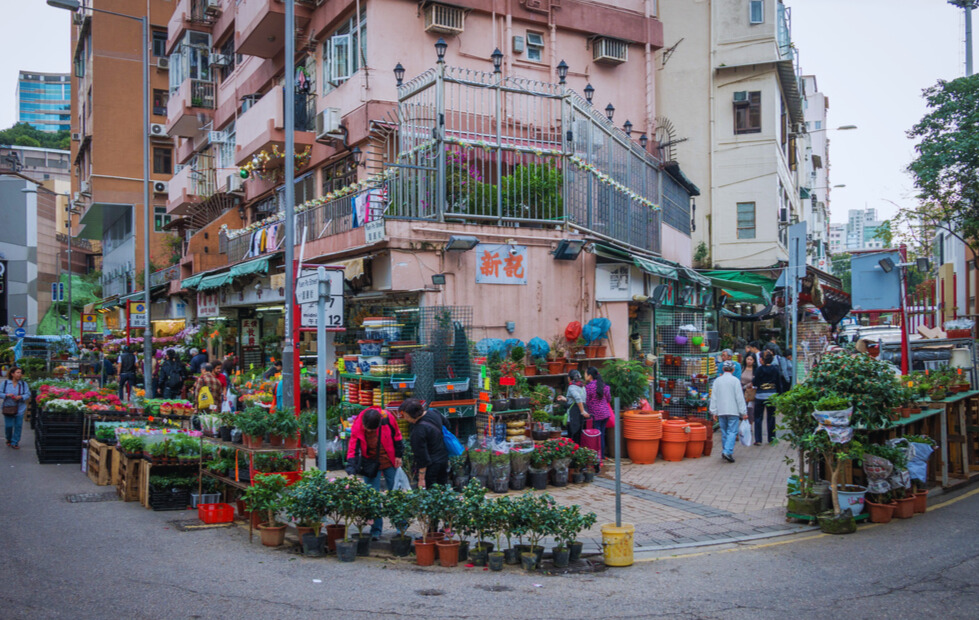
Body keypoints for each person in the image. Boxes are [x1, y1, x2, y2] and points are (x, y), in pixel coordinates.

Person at [346, 407, 404, 539]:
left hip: (390, 460)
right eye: (367, 430)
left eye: (372, 430)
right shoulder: (358, 425)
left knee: (396, 494)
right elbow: (353, 449)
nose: (369, 432)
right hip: (370, 463)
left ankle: (401, 528)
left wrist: (399, 455)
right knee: (372, 497)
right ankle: (376, 530)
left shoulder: (388, 418)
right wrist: (351, 472)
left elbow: (397, 436)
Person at [398, 399, 449, 489]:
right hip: (443, 459)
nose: (405, 418)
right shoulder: (434, 413)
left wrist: (421, 478)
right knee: (443, 491)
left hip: (431, 467)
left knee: (431, 494)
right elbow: (447, 425)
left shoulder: (418, 432)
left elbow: (422, 457)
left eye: (405, 416)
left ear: (413, 415)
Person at [710, 361, 748, 463]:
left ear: (723, 369)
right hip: (733, 410)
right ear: (733, 370)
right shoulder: (735, 381)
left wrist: (714, 411)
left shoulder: (717, 381)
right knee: (732, 431)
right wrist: (743, 412)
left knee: (724, 431)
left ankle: (725, 450)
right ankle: (727, 451)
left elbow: (714, 397)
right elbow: (739, 398)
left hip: (721, 410)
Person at [751, 350, 785, 445]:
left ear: (762, 359)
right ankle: (771, 438)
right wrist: (779, 396)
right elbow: (779, 383)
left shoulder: (759, 369)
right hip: (772, 396)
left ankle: (758, 439)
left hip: (760, 396)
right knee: (771, 417)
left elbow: (755, 382)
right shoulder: (775, 369)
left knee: (758, 417)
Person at [584, 366, 613, 462]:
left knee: (597, 435)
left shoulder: (588, 387)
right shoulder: (604, 385)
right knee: (602, 434)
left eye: (585, 373)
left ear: (590, 376)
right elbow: (609, 399)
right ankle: (602, 456)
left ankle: (598, 457)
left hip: (596, 415)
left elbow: (586, 402)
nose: (584, 375)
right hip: (605, 413)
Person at [556, 369, 588, 445]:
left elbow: (578, 398)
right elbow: (577, 399)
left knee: (572, 438)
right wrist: (565, 399)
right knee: (578, 436)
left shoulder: (572, 387)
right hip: (579, 416)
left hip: (573, 415)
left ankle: (572, 454)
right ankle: (577, 453)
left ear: (570, 378)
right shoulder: (582, 386)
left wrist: (582, 411)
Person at [2, 366, 30, 449]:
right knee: (9, 426)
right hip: (8, 407)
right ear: (12, 374)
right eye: (18, 372)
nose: (20, 374)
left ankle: (15, 442)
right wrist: (6, 395)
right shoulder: (5, 383)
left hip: (20, 408)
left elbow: (28, 394)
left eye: (20, 373)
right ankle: (9, 439)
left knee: (18, 425)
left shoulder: (23, 384)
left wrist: (21, 397)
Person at [740, 352, 757, 423]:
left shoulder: (755, 370)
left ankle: (749, 426)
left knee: (750, 410)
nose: (749, 361)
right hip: (742, 392)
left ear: (754, 361)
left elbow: (755, 381)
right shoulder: (742, 368)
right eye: (748, 359)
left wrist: (747, 385)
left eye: (751, 359)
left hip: (750, 393)